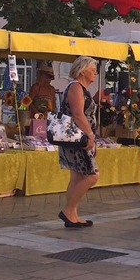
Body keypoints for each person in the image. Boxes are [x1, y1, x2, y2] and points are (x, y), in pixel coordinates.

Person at [58, 56, 100, 228]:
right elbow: (78, 114)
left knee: (77, 176)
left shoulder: (80, 88)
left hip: (78, 138)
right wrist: (90, 135)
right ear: (82, 71)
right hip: (78, 138)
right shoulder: (75, 87)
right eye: (92, 69)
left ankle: (72, 214)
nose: (95, 72)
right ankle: (68, 210)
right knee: (92, 176)